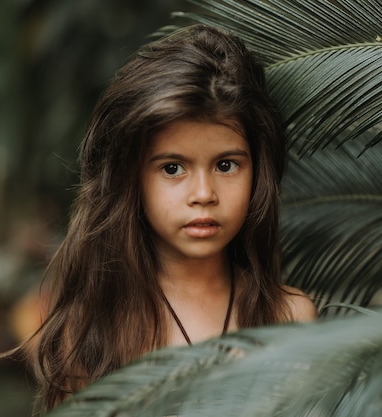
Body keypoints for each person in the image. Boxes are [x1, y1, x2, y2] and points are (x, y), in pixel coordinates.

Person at [20, 24, 317, 411]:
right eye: (173, 168)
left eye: (226, 165)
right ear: (131, 179)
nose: (203, 195)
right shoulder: (93, 333)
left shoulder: (289, 318)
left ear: (258, 173)